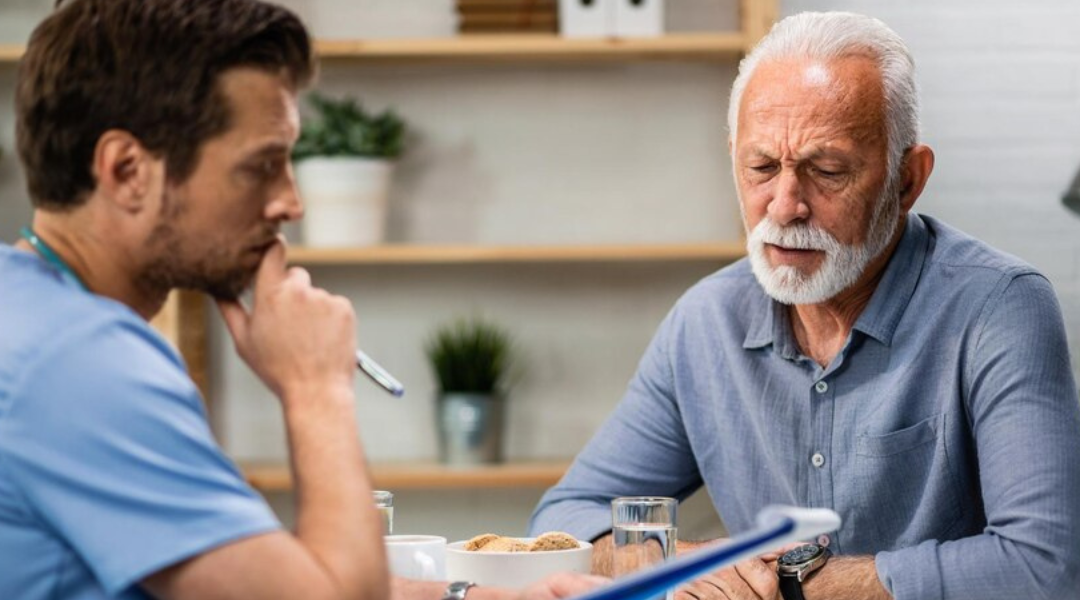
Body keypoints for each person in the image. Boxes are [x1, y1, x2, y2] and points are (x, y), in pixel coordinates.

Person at [0, 1, 606, 599]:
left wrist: (467, 597)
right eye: (262, 165)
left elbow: (254, 574)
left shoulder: (30, 313)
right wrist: (316, 386)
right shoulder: (84, 366)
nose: (292, 202)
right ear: (128, 170)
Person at [529, 11, 1080, 600]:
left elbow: (1044, 565)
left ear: (907, 180)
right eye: (761, 167)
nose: (784, 206)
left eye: (827, 171)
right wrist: (694, 563)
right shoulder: (705, 321)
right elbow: (562, 521)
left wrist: (793, 584)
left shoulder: (999, 307)